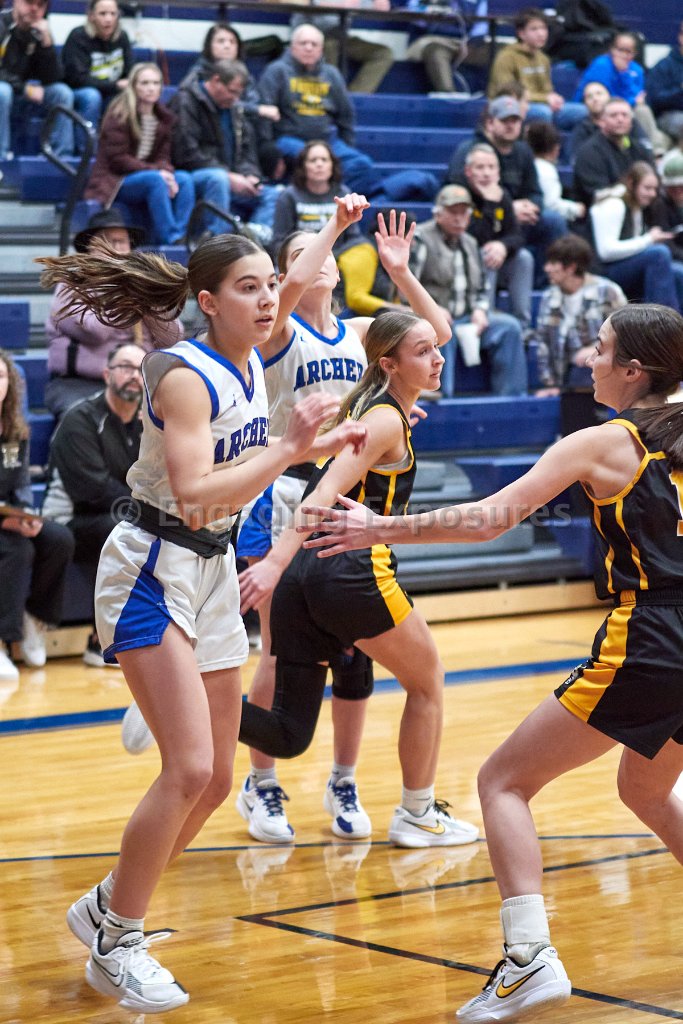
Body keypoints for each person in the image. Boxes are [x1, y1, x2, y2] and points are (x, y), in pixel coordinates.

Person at [300, 301, 683, 1023]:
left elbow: (487, 520)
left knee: (502, 782)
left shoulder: (604, 442)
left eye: (601, 349)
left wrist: (378, 527)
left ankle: (528, 957)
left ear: (634, 370)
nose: (588, 359)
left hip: (654, 634)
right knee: (644, 786)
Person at [38, 194, 370, 1014]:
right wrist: (290, 448)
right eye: (248, 288)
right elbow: (191, 498)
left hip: (213, 569)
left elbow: (299, 282)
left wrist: (334, 228)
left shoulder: (255, 356)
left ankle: (107, 904)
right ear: (208, 301)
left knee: (218, 778)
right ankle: (117, 942)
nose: (268, 299)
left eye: (270, 287)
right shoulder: (182, 374)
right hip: (153, 563)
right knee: (187, 768)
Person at [237, 305, 480, 850]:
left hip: (307, 578)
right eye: (423, 351)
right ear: (389, 364)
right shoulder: (384, 418)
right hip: (350, 571)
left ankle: (186, 706)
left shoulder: (375, 410)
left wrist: (284, 565)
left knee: (289, 732)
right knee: (428, 682)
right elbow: (323, 492)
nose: (438, 358)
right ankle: (417, 813)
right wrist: (273, 560)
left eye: (436, 349)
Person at [42, 343, 145, 668]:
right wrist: (148, 509)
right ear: (106, 374)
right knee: (123, 530)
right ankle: (100, 640)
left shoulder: (150, 423)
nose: (134, 376)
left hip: (122, 515)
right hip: (69, 519)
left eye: (140, 369)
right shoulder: (80, 419)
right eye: (125, 367)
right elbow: (94, 491)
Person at [257, 23, 437, 203]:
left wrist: (347, 146)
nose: (309, 48)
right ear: (292, 46)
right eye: (303, 43)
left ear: (321, 49)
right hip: (288, 139)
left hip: (326, 141)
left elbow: (346, 115)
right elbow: (263, 111)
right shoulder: (276, 71)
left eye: (314, 44)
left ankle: (337, 202)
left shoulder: (331, 74)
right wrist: (269, 149)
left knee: (361, 165)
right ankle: (312, 201)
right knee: (314, 159)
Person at [44, 208, 183, 419]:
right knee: (88, 418)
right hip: (81, 384)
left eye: (122, 242)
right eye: (108, 241)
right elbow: (96, 331)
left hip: (139, 381)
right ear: (90, 248)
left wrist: (148, 298)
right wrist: (119, 290)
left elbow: (173, 338)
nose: (116, 248)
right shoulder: (71, 284)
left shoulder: (141, 285)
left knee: (181, 409)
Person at [410, 184, 528, 397]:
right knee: (440, 330)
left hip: (466, 316)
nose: (459, 218)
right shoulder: (421, 238)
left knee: (510, 328)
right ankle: (442, 398)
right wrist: (433, 310)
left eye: (463, 212)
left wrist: (480, 310)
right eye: (452, 212)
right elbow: (407, 286)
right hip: (432, 318)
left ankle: (510, 399)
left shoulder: (471, 243)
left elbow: (483, 287)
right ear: (438, 214)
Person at [0, 349, 74, 679]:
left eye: (1, 376)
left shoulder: (15, 427)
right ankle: (3, 642)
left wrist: (26, 515)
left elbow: (21, 484)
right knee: (18, 548)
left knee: (59, 538)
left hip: (8, 513)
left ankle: (35, 616)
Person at [446, 96, 567, 282]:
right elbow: (456, 192)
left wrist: (531, 206)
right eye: (505, 121)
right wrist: (509, 207)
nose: (510, 126)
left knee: (553, 221)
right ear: (490, 123)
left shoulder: (523, 151)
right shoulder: (469, 151)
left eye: (515, 121)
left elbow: (535, 192)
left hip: (515, 220)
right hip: (479, 219)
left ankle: (547, 282)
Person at [169, 58, 280, 245]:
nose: (235, 98)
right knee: (218, 179)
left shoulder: (234, 108)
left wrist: (249, 175)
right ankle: (217, 243)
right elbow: (185, 153)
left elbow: (246, 151)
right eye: (232, 91)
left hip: (229, 177)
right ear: (216, 80)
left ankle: (251, 242)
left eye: (239, 94)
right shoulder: (185, 101)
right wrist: (229, 176)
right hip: (192, 175)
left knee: (272, 194)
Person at [84, 62, 194, 246]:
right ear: (134, 86)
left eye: (156, 83)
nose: (151, 88)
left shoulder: (164, 117)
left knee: (184, 179)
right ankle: (171, 237)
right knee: (155, 180)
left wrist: (166, 172)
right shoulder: (119, 114)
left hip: (148, 176)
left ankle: (182, 235)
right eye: (145, 83)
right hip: (116, 180)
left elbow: (164, 156)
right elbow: (118, 160)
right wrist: (158, 172)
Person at [533, 234, 626, 393]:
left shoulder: (607, 291)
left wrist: (597, 350)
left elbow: (626, 335)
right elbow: (543, 345)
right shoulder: (549, 297)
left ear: (571, 267)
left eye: (553, 263)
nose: (546, 268)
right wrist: (550, 384)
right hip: (567, 378)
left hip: (606, 371)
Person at [589, 161, 681, 310]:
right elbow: (605, 252)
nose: (653, 194)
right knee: (659, 253)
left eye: (655, 189)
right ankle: (661, 320)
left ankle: (677, 321)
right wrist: (649, 239)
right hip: (602, 271)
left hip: (622, 265)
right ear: (631, 183)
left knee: (677, 272)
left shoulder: (636, 206)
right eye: (647, 188)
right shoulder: (614, 204)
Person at [462, 142, 534, 329]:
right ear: (468, 171)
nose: (486, 173)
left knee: (523, 257)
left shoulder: (503, 196)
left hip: (496, 263)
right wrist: (489, 204)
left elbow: (516, 235)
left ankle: (523, 325)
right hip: (466, 265)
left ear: (498, 173)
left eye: (491, 167)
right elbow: (473, 238)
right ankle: (486, 316)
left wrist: (503, 246)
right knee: (488, 253)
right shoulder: (461, 196)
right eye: (480, 167)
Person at [0, 0, 74, 163]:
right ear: (16, 2)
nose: (34, 8)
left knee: (61, 92)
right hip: (9, 92)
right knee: (2, 91)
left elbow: (53, 77)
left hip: (21, 95)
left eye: (40, 5)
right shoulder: (2, 24)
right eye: (29, 2)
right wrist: (24, 89)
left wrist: (47, 43)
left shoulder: (38, 32)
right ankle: (1, 159)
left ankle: (61, 159)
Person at [487, 7, 586, 129]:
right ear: (521, 34)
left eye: (543, 28)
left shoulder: (543, 58)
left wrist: (554, 99)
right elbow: (508, 93)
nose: (541, 33)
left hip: (543, 105)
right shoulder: (506, 57)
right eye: (534, 29)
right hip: (511, 106)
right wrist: (546, 99)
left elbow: (547, 91)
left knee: (583, 112)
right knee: (543, 113)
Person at [573, 31, 668, 154]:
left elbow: (637, 96)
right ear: (612, 49)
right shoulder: (602, 65)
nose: (623, 55)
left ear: (634, 54)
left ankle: (652, 150)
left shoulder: (637, 70)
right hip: (592, 108)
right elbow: (600, 98)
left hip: (625, 108)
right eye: (620, 50)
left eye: (628, 51)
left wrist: (624, 75)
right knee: (634, 112)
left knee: (643, 111)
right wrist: (631, 100)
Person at [61, 0, 132, 151]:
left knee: (132, 95)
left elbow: (129, 72)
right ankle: (87, 152)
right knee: (92, 96)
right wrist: (115, 85)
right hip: (78, 90)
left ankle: (121, 150)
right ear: (91, 16)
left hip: (110, 90)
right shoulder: (78, 36)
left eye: (113, 14)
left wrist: (124, 85)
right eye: (103, 14)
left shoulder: (122, 37)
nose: (108, 19)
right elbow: (78, 79)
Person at [271, 139, 362, 255]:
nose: (319, 164)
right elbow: (279, 242)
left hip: (336, 258)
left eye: (324, 160)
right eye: (313, 160)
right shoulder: (288, 196)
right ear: (303, 166)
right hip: (301, 258)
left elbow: (354, 238)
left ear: (332, 165)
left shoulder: (343, 193)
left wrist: (331, 257)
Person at [290, 0, 394, 94]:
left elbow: (381, 7)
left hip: (340, 36)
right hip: (309, 36)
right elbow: (309, 3)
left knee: (382, 53)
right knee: (330, 45)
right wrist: (343, 4)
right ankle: (329, 98)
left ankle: (354, 98)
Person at [573, 97, 654, 208]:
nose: (620, 119)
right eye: (613, 115)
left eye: (625, 115)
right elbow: (598, 194)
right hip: (602, 210)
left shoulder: (639, 149)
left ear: (631, 122)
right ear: (601, 121)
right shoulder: (589, 152)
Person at [395, 0, 489, 95]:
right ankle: (448, 95)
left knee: (492, 51)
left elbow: (480, 29)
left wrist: (471, 43)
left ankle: (491, 97)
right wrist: (430, 8)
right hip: (428, 40)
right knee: (436, 51)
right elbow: (414, 14)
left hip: (462, 42)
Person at [525, 121, 586, 224]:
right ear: (556, 148)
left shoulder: (526, 164)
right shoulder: (546, 171)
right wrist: (577, 209)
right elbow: (551, 206)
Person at [647, 20, 683, 142]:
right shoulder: (664, 66)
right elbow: (654, 99)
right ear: (681, 37)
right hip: (669, 115)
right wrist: (680, 89)